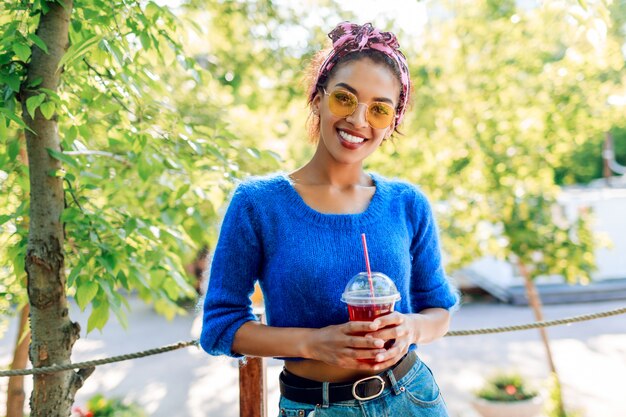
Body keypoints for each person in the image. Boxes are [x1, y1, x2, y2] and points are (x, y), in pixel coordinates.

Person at [200, 21, 459, 417]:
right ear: (318, 98)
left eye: (378, 109)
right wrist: (313, 343)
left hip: (412, 397)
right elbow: (220, 327)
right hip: (315, 407)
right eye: (344, 99)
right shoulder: (257, 204)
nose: (358, 120)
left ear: (391, 123)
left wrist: (411, 329)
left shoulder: (408, 204)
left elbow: (438, 311)